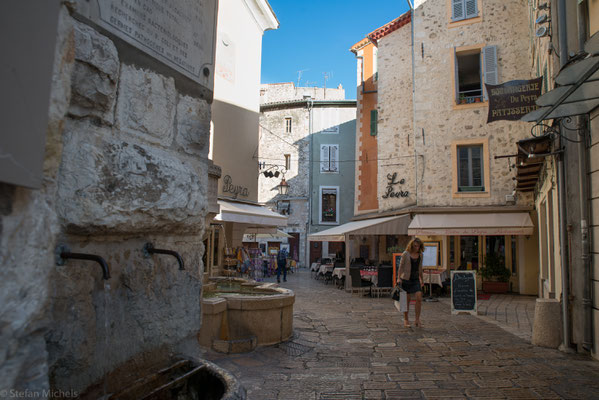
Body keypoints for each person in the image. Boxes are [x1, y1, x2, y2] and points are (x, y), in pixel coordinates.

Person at [397, 238, 424, 328]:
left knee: (419, 297)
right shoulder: (405, 254)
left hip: (415, 279)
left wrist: (422, 280)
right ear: (412, 245)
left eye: (418, 246)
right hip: (406, 279)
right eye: (415, 246)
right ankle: (406, 319)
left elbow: (420, 269)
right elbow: (400, 267)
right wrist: (398, 278)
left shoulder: (420, 255)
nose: (417, 248)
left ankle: (417, 319)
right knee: (406, 300)